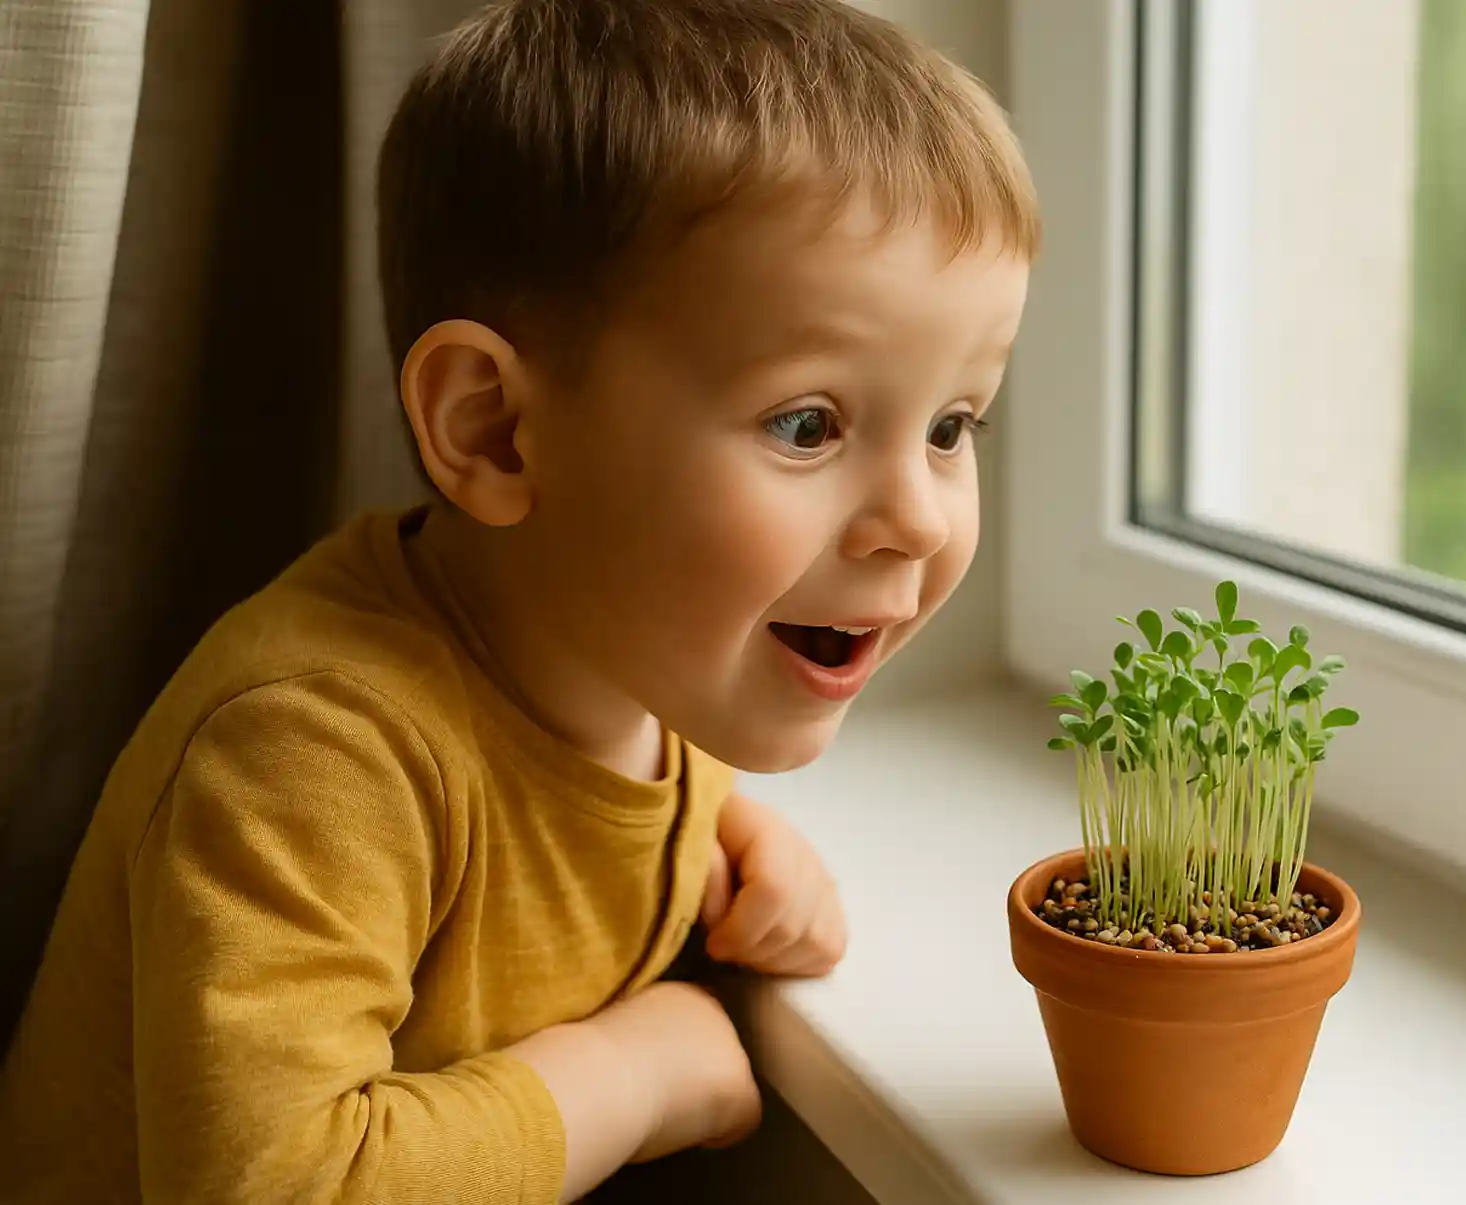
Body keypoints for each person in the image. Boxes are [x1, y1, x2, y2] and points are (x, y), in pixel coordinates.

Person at [0, 0, 1039, 1201]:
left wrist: (727, 834)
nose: (919, 516)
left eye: (953, 424)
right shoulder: (310, 752)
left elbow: (562, 800)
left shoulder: (629, 655)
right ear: (493, 429)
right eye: (806, 424)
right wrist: (636, 1071)